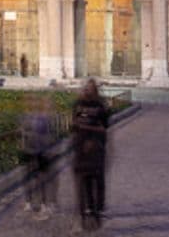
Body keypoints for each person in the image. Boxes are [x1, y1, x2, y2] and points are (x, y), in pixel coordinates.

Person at [71, 79, 110, 231]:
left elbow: (105, 127)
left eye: (90, 88)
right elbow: (73, 125)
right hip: (80, 149)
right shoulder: (77, 104)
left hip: (96, 149)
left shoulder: (101, 106)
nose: (87, 91)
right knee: (82, 183)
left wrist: (88, 129)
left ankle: (96, 211)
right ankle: (82, 216)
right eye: (86, 88)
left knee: (97, 181)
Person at [21, 94, 57, 217]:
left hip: (40, 151)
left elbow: (48, 134)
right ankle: (29, 201)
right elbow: (22, 133)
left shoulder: (43, 118)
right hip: (29, 151)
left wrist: (48, 148)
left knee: (39, 179)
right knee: (29, 178)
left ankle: (42, 203)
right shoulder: (27, 117)